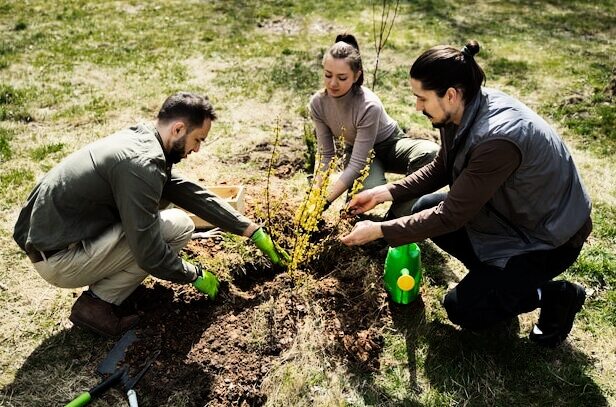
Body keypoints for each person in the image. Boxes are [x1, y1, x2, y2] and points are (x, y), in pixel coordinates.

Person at [340, 41, 592, 347]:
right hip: (510, 217)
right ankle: (503, 285)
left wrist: (380, 230)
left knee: (464, 308)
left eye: (422, 98)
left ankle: (554, 294)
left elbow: (452, 215)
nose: (417, 107)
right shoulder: (459, 110)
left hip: (548, 237)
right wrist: (385, 192)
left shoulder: (497, 139)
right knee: (425, 206)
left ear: (450, 94)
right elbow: (443, 167)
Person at [13, 92, 288, 337]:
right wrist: (194, 275)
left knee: (174, 223)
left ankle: (109, 292)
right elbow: (149, 253)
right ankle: (97, 305)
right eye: (197, 140)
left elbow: (183, 190)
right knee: (172, 230)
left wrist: (249, 229)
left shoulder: (144, 139)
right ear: (179, 128)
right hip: (59, 260)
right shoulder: (141, 164)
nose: (197, 149)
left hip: (57, 241)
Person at [309, 33, 439, 215]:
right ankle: (352, 221)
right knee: (362, 198)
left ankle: (396, 217)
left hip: (390, 145)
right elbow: (326, 155)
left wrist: (326, 201)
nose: (333, 83)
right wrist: (316, 196)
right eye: (328, 75)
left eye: (342, 77)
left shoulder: (368, 105)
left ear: (356, 76)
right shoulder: (318, 104)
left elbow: (356, 164)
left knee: (431, 153)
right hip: (359, 152)